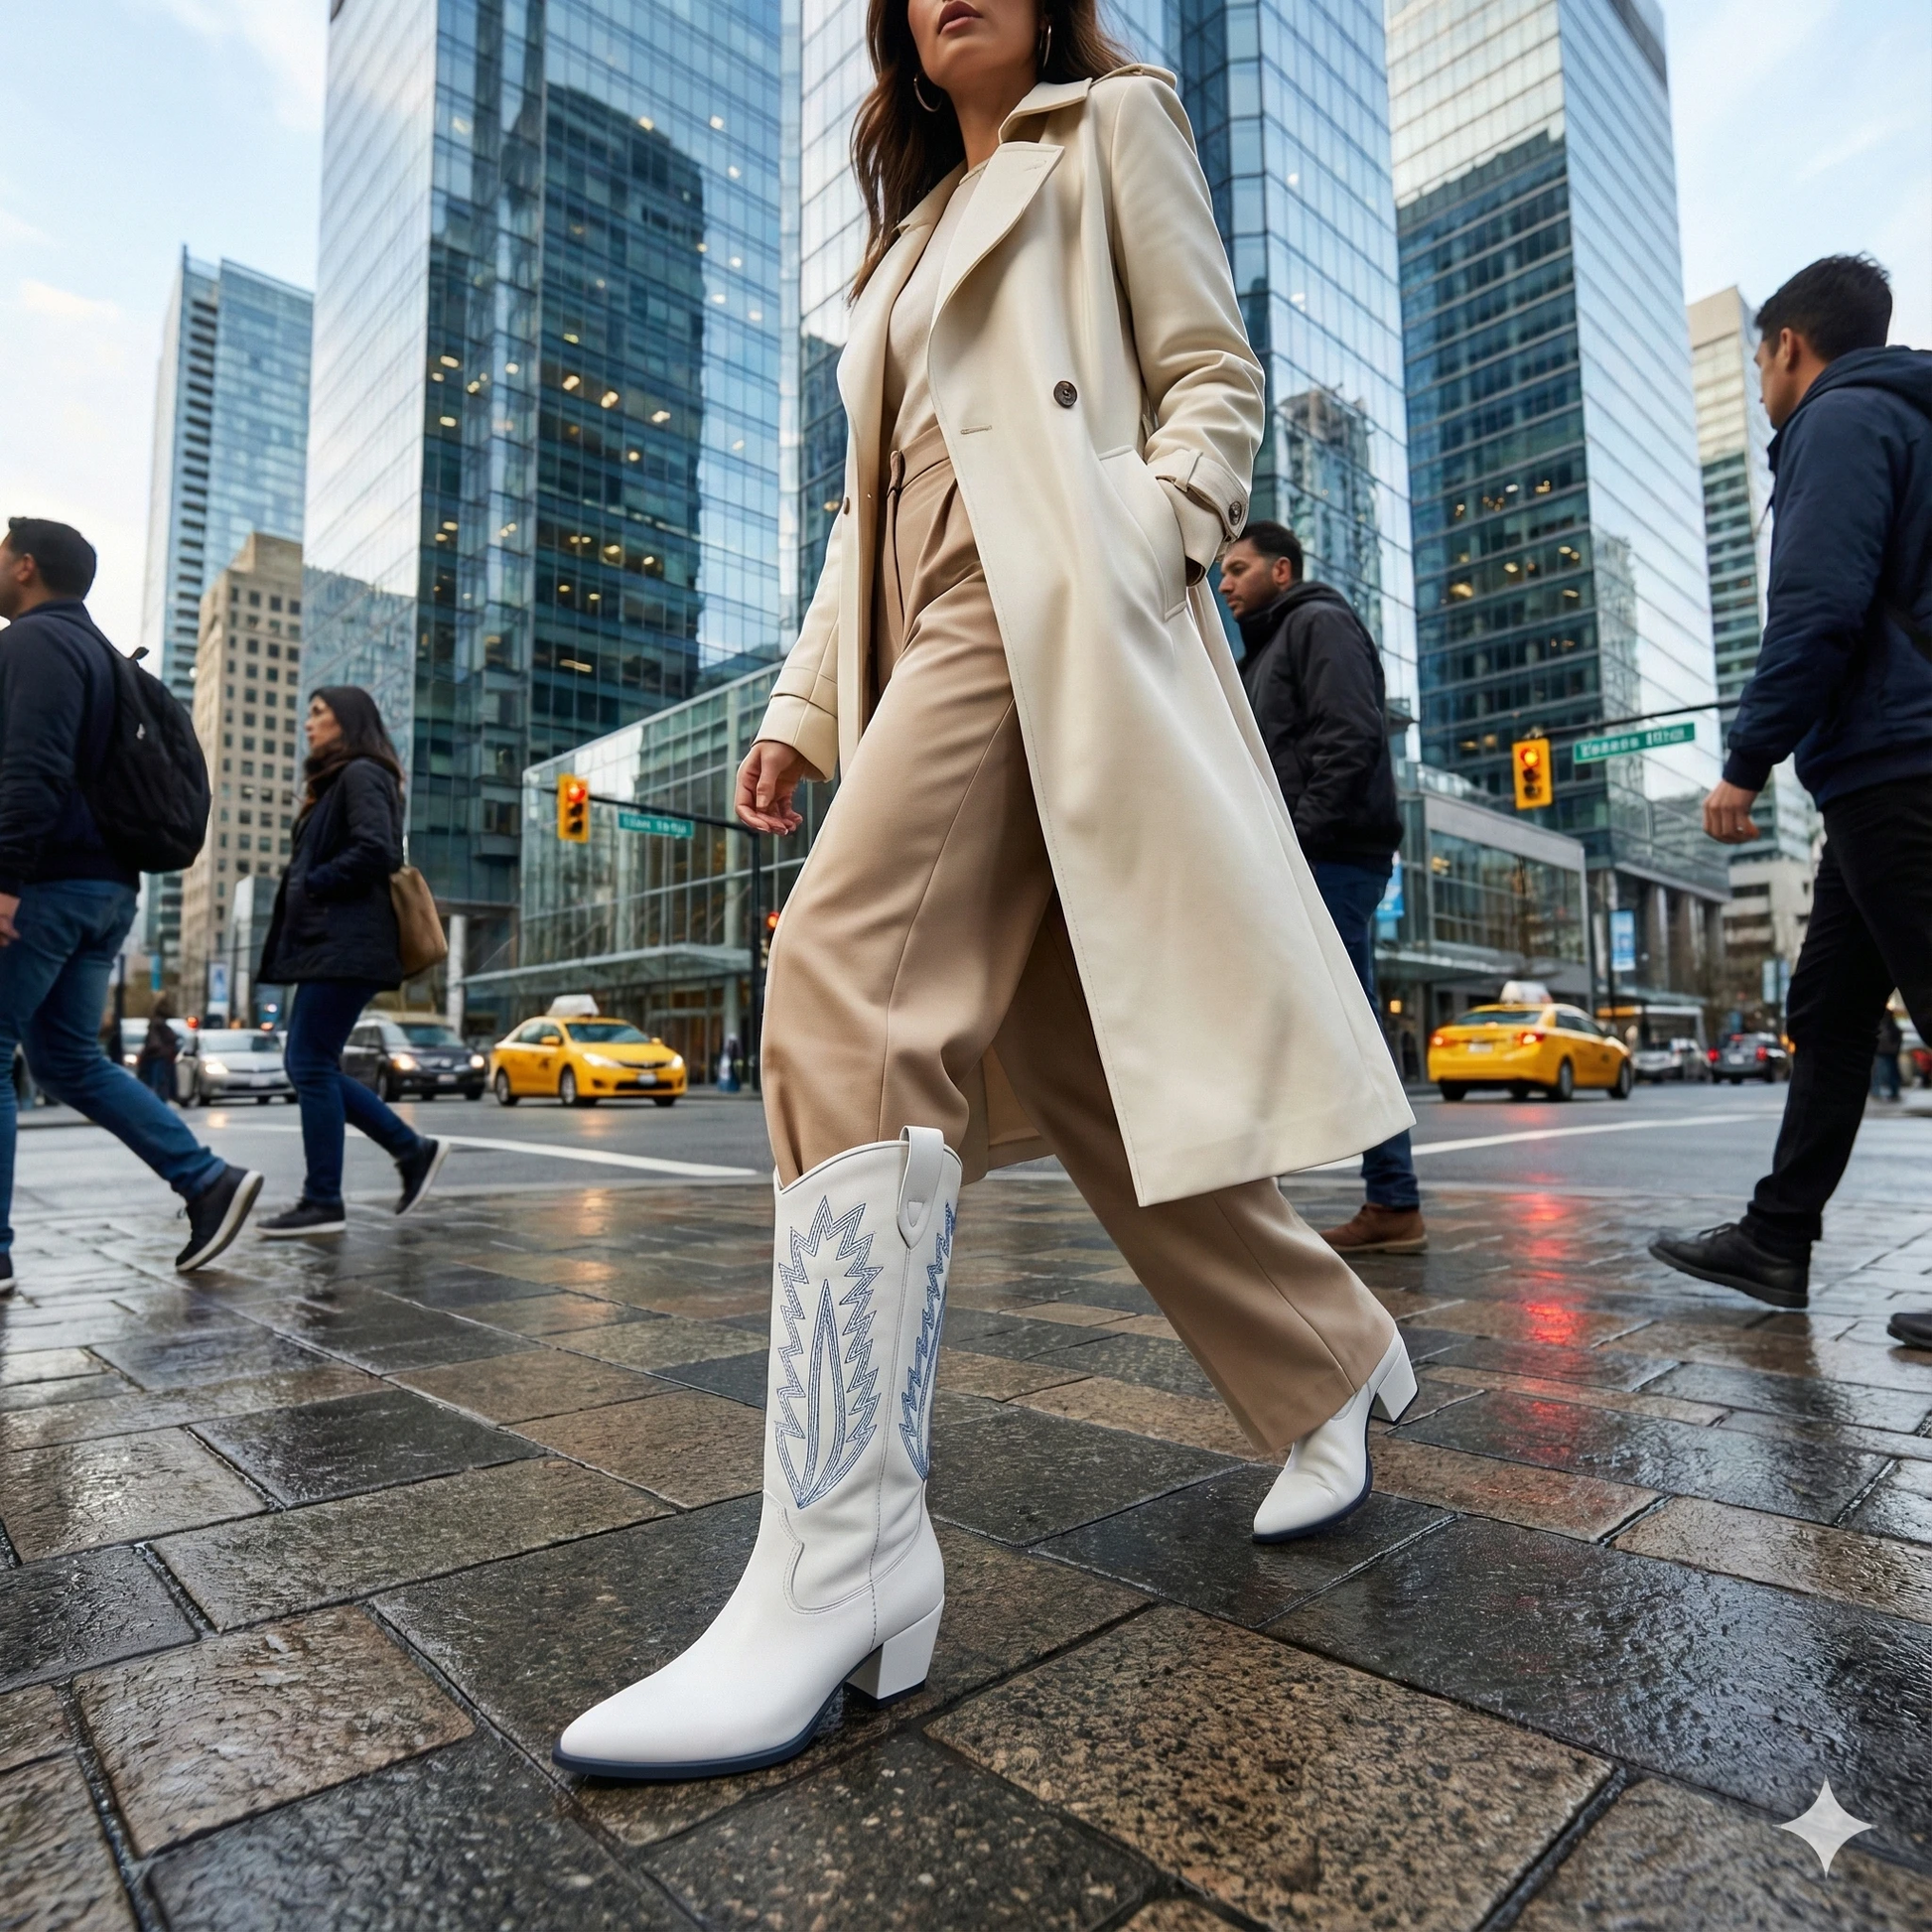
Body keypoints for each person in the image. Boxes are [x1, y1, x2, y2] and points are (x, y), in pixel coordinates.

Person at [555, 0, 1416, 1783]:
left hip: (1045, 627)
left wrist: (1140, 534)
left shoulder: (1113, 124)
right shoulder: (900, 238)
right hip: (925, 634)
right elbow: (856, 523)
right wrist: (801, 709)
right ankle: (1329, 1358)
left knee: (842, 993)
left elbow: (1213, 378)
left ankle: (848, 1557)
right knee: (1097, 1085)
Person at [1647, 256, 1930, 1350]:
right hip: (1882, 762)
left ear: (1786, 346)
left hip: (1894, 759)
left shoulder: (1838, 419)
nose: (1761, 376)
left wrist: (1743, 760)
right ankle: (1775, 1237)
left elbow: (1815, 605)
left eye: (1759, 356)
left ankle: (1775, 1233)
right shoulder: (1898, 414)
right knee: (1827, 1010)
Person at [0, 517, 261, 1289]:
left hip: (46, 883)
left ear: (24, 567)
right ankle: (206, 1180)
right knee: (66, 1059)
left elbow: (31, 768)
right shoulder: (106, 657)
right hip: (109, 891)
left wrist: (6, 879)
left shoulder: (35, 645)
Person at [1219, 519, 1423, 1254]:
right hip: (1304, 855)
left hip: (1331, 855)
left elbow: (1350, 734)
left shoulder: (1318, 623)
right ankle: (1269, 1190)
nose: (1226, 582)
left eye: (1239, 568)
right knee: (1304, 1014)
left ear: (1282, 570)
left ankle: (1394, 1201)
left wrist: (1297, 838)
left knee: (1348, 1018)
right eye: (1223, 571)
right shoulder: (1265, 648)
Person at [254, 687, 446, 1236]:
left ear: (348, 720)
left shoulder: (363, 773)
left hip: (347, 943)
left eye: (319, 713)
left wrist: (314, 884)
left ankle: (326, 1199)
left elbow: (377, 849)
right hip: (330, 944)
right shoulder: (341, 779)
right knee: (312, 1063)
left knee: (309, 1063)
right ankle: (409, 1152)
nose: (308, 723)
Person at [136, 998, 182, 1103]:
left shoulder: (156, 1024)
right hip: (158, 1056)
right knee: (159, 1081)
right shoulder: (159, 1024)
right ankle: (158, 1100)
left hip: (156, 1055)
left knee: (156, 1081)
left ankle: (157, 1100)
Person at [1871, 1010, 1903, 1101]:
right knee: (1888, 1073)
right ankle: (1890, 1092)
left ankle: (1888, 1092)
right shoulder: (1890, 1025)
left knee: (1884, 1073)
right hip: (1888, 1053)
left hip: (1884, 1053)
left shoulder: (1886, 1026)